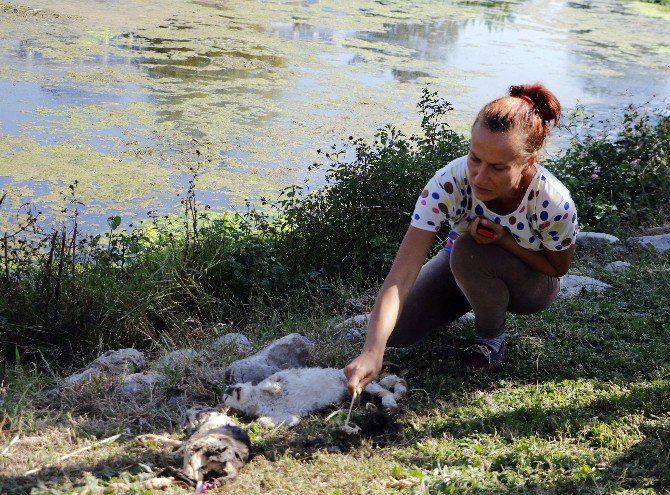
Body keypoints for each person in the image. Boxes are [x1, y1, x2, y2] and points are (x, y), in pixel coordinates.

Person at [344, 83, 578, 395]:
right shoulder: (448, 183)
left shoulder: (553, 202)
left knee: (468, 251)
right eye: (475, 158)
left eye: (497, 167)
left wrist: (505, 241)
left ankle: (489, 339)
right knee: (395, 334)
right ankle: (474, 294)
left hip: (532, 284)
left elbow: (556, 269)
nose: (480, 177)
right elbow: (402, 274)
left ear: (528, 162)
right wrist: (372, 351)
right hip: (464, 267)